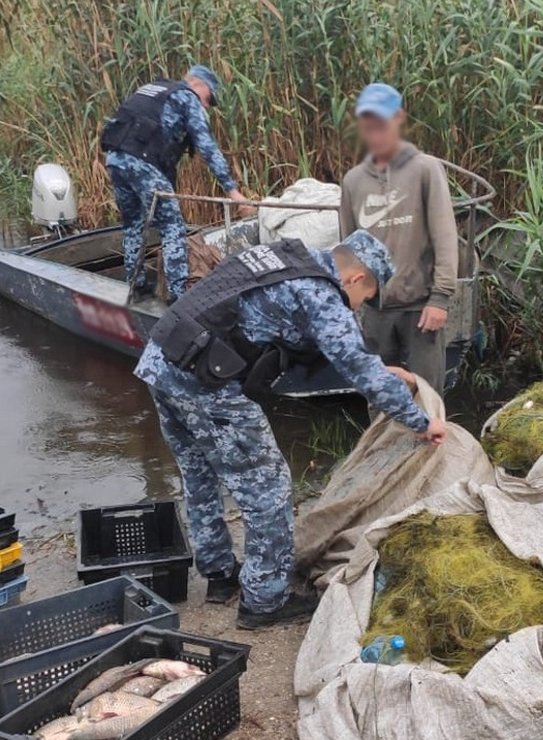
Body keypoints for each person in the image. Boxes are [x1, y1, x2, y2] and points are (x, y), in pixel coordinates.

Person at [135, 230, 446, 629]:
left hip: (163, 360)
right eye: (366, 297)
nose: (360, 307)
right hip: (205, 384)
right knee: (269, 487)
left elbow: (325, 346)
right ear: (355, 277)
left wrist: (377, 370)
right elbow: (358, 366)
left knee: (199, 475)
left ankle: (219, 575)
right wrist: (422, 421)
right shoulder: (321, 293)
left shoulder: (285, 259)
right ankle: (265, 600)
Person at [339, 83, 460, 392]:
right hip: (376, 311)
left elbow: (445, 236)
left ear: (398, 118)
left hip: (420, 308)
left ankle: (430, 428)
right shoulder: (353, 181)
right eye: (368, 126)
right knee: (378, 394)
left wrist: (440, 298)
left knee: (427, 394)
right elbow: (348, 250)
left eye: (382, 124)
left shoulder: (425, 169)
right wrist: (349, 302)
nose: (375, 133)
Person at [101, 65, 252, 302]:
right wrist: (232, 191)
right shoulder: (187, 97)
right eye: (209, 99)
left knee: (133, 225)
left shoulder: (154, 88)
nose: (206, 106)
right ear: (198, 84)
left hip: (115, 160)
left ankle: (136, 286)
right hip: (141, 163)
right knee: (172, 227)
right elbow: (207, 147)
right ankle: (179, 295)